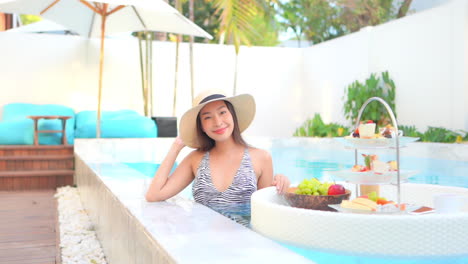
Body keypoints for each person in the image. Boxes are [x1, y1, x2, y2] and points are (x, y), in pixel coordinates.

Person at [145, 90, 290, 226]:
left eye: (222, 112)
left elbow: (265, 214)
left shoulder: (261, 158)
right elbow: (154, 195)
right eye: (207, 117)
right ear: (201, 126)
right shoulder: (195, 159)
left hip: (243, 246)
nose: (218, 122)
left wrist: (279, 187)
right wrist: (176, 147)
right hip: (200, 243)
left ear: (233, 115)